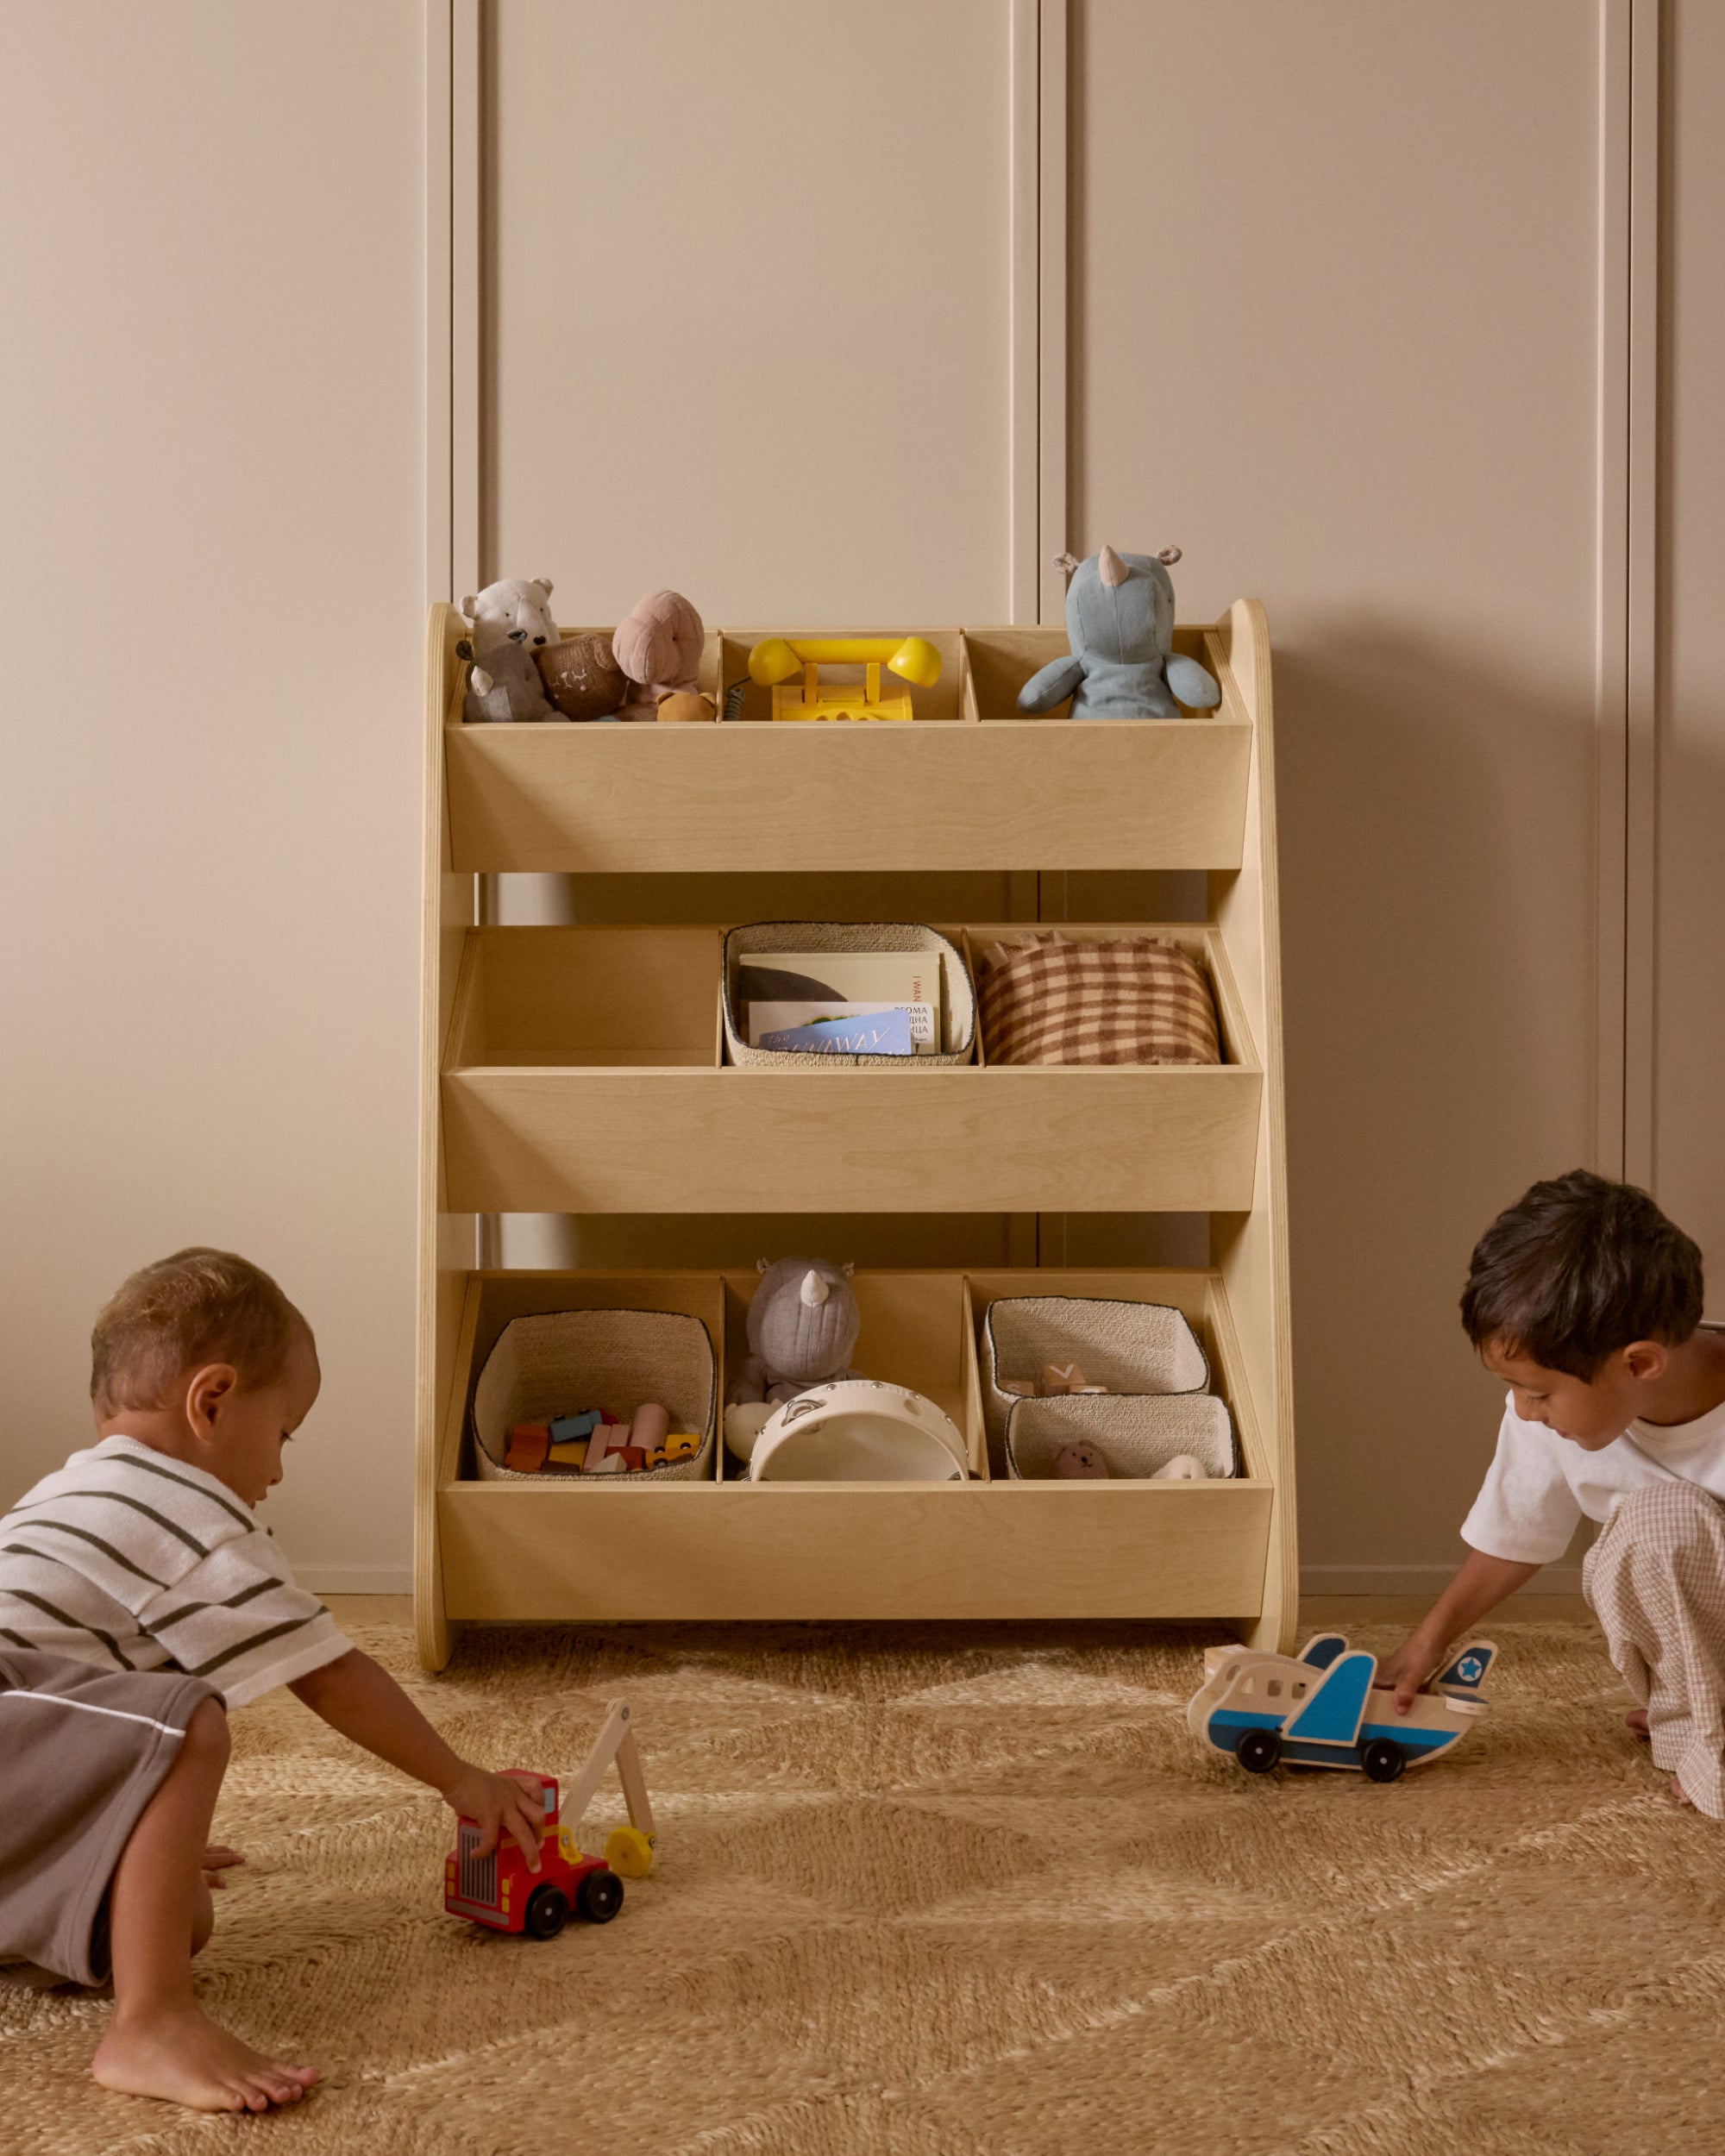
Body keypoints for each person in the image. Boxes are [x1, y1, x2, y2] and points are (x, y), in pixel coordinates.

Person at [0, 1248, 545, 2114]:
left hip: (20, 1768)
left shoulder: (61, 1493)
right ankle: (152, 2021)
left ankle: (108, 1853)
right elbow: (329, 1673)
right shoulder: (183, 1509)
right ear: (211, 1401)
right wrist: (460, 1779)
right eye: (284, 1431)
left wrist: (136, 1826)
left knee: (180, 1922)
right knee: (187, 1723)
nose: (280, 1470)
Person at [1377, 1169, 1725, 1813]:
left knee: (1669, 1524)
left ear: (1640, 1364)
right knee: (1646, 1536)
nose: (1525, 1410)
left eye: (1539, 1392)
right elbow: (1515, 1532)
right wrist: (1430, 1638)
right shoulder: (1553, 1417)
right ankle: (1698, 1711)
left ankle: (1710, 1724)